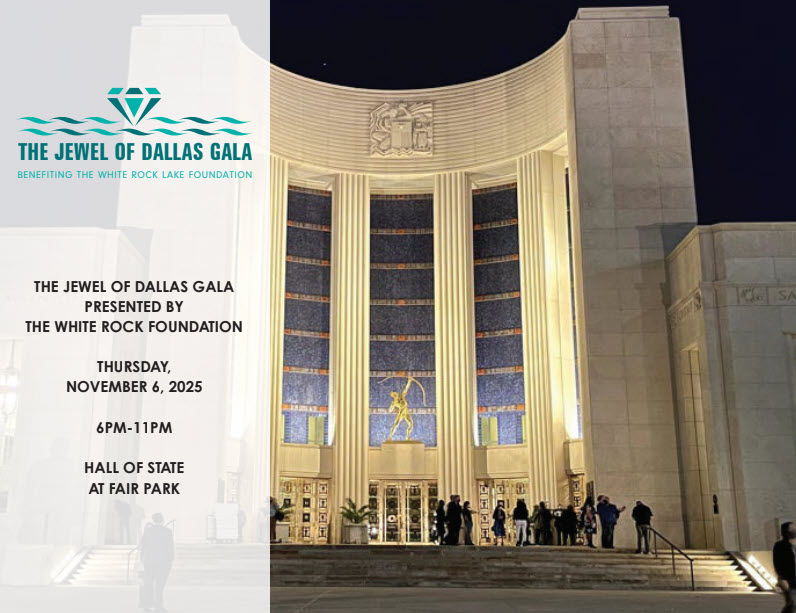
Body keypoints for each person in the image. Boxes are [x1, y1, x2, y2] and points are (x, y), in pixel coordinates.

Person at [139, 513, 174, 613]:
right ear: (162, 520)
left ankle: (147, 605)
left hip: (149, 561)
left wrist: (142, 559)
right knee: (159, 585)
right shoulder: (167, 532)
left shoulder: (148, 531)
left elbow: (142, 545)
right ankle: (159, 605)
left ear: (153, 520)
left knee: (148, 583)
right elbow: (170, 548)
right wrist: (170, 561)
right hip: (163, 562)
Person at [773, 521, 796, 613]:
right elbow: (777, 563)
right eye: (792, 528)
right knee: (792, 603)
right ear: (786, 531)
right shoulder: (780, 546)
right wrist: (782, 578)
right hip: (788, 580)